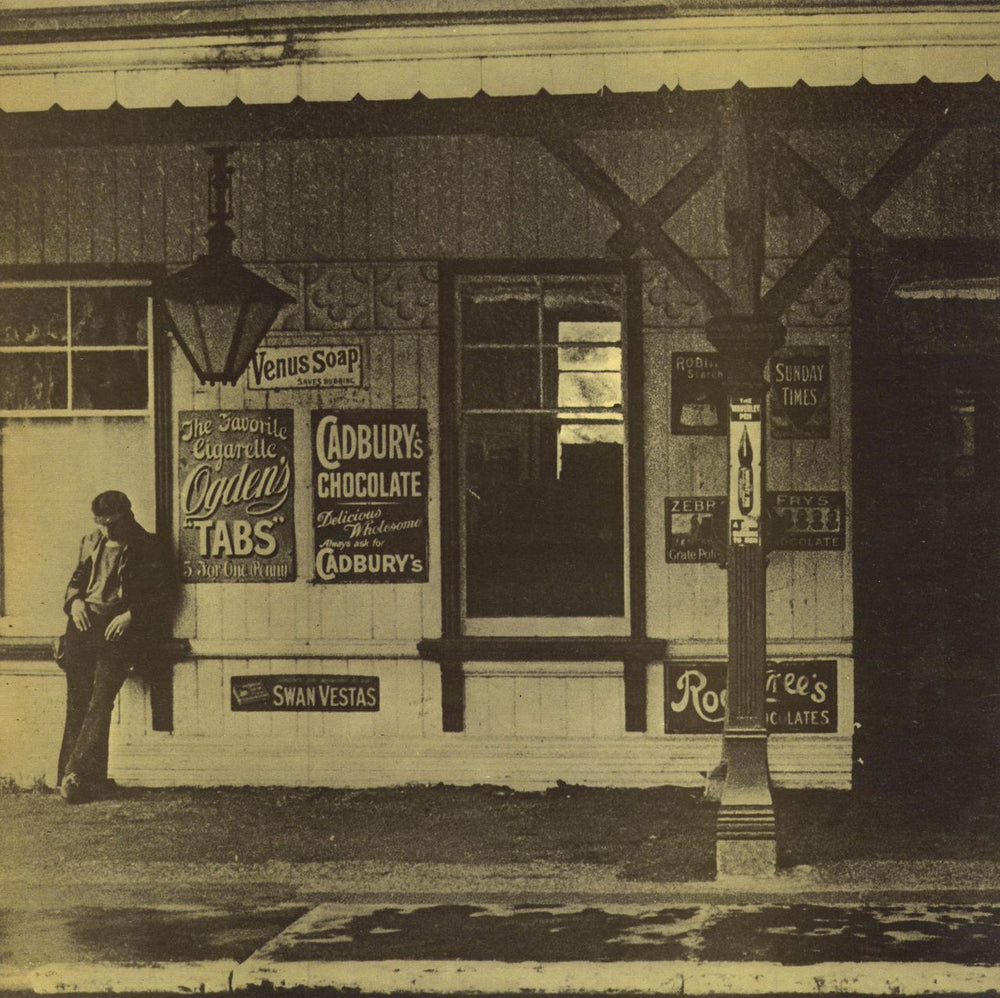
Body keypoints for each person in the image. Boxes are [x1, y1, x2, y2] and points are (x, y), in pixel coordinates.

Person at [57, 490, 172, 803]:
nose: (107, 530)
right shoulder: (92, 541)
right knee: (77, 701)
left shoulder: (148, 545)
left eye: (112, 523)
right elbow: (75, 582)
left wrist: (131, 616)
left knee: (100, 700)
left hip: (119, 631)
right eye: (101, 523)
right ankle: (86, 780)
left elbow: (163, 594)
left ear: (128, 515)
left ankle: (74, 776)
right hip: (82, 627)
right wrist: (75, 602)